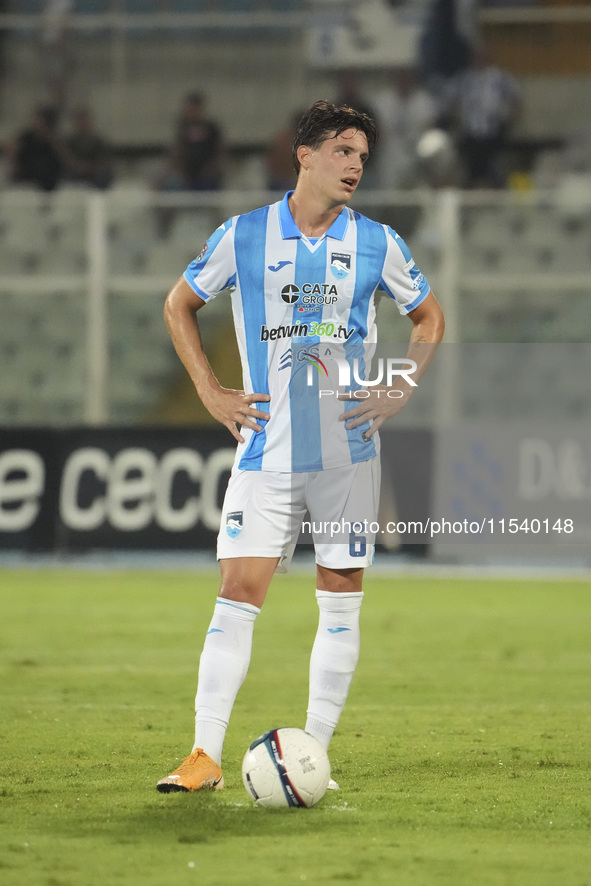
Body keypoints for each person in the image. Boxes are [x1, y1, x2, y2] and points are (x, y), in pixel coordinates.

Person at [157, 100, 444, 793]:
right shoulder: (244, 236)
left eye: (362, 158)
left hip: (348, 452)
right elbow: (178, 304)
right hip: (266, 450)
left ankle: (311, 751)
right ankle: (203, 755)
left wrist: (399, 386)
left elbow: (429, 317)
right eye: (343, 152)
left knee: (339, 593)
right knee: (237, 591)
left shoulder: (377, 242)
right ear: (304, 154)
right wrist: (211, 391)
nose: (355, 167)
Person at [443, 44, 522, 188]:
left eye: (484, 56)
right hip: (471, 132)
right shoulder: (464, 78)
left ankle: (494, 194)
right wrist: (457, 123)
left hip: (493, 131)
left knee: (493, 168)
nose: (481, 59)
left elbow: (516, 99)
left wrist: (509, 123)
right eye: (478, 56)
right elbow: (450, 99)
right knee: (472, 169)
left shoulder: (501, 78)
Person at [169, 91, 224, 191]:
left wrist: (212, 168)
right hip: (188, 173)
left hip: (207, 173)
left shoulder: (210, 127)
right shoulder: (183, 127)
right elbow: (179, 148)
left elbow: (218, 149)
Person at [6, 104, 65, 191]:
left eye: (39, 120)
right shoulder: (26, 137)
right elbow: (11, 152)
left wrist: (52, 141)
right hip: (26, 182)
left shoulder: (55, 139)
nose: (35, 122)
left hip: (48, 182)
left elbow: (65, 160)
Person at [64, 106, 114, 189]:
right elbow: (67, 160)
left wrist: (88, 167)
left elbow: (105, 162)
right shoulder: (70, 142)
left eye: (84, 121)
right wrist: (77, 167)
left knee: (103, 176)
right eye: (80, 121)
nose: (82, 124)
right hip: (75, 174)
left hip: (95, 174)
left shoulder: (99, 142)